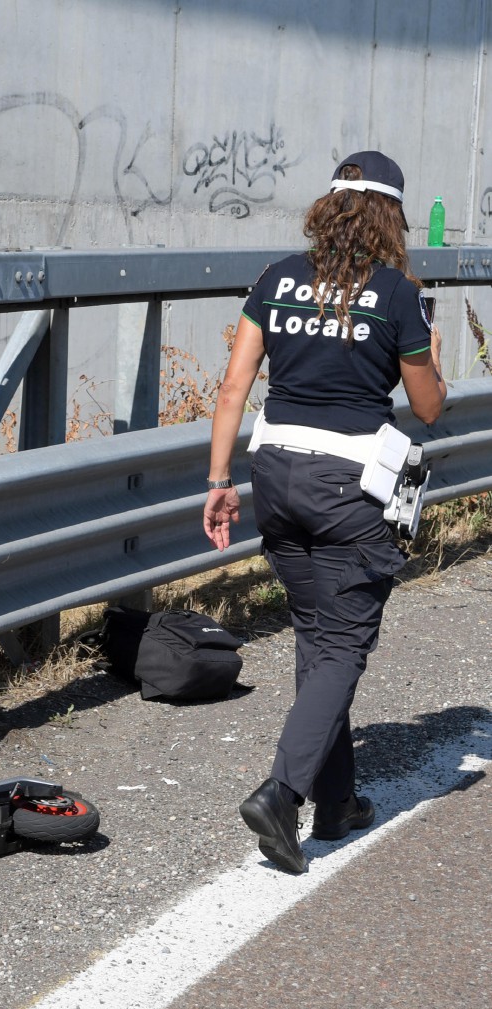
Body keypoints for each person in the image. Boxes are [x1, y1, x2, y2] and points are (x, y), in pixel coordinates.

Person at [202, 150, 446, 873]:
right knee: (342, 644)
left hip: (272, 472)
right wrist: (429, 346)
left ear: (326, 207)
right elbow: (427, 406)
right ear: (390, 215)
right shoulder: (399, 293)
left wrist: (219, 481)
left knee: (318, 635)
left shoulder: (276, 279)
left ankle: (335, 802)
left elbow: (231, 388)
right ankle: (282, 793)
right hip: (348, 485)